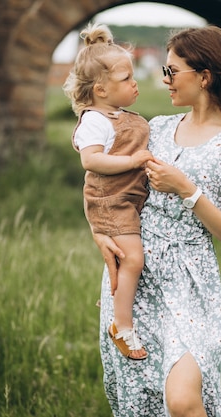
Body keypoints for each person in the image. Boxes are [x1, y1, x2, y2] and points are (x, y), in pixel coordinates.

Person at [93, 25, 221, 416]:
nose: (165, 80)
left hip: (191, 281)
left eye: (173, 71)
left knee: (182, 401)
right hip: (136, 278)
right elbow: (104, 185)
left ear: (204, 76)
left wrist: (188, 191)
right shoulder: (154, 129)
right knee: (141, 403)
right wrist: (99, 232)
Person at [63, 22, 153, 360]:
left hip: (127, 199)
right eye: (126, 79)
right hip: (109, 202)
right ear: (100, 89)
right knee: (133, 258)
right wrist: (132, 161)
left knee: (126, 258)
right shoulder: (94, 121)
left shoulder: (119, 114)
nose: (135, 84)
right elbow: (91, 160)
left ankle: (117, 297)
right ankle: (121, 325)